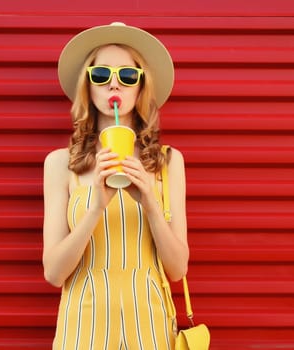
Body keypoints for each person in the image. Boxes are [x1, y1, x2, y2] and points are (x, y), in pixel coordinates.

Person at [42, 22, 189, 349]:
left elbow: (178, 269)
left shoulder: (167, 161)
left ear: (140, 87)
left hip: (150, 325)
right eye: (100, 75)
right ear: (88, 85)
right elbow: (53, 273)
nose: (114, 85)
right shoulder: (59, 164)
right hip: (83, 326)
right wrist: (95, 207)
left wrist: (150, 202)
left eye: (127, 76)